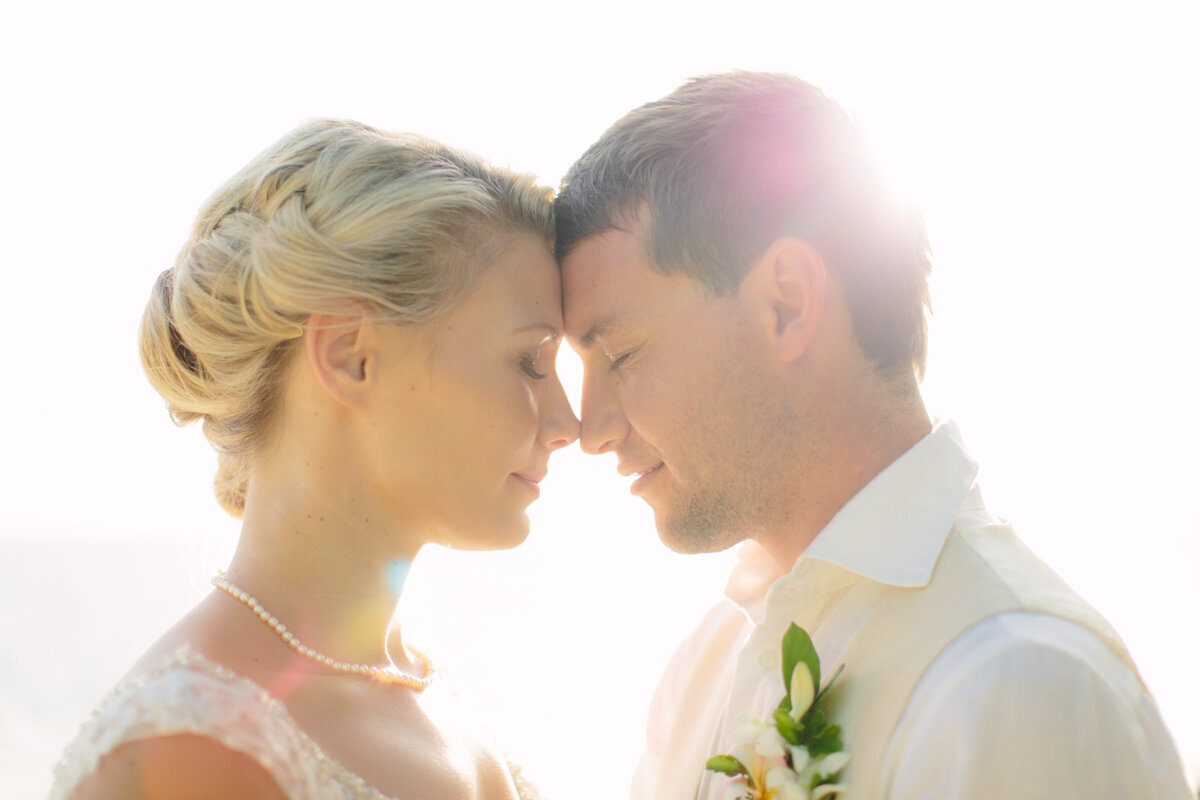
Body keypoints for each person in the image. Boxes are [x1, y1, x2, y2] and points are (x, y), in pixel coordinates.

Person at [555, 72, 1192, 799]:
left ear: (787, 304)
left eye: (621, 355)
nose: (591, 429)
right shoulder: (710, 662)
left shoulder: (1019, 683)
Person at [50, 119, 579, 800]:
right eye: (530, 361)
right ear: (350, 355)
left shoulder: (417, 690)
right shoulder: (191, 754)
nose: (569, 421)